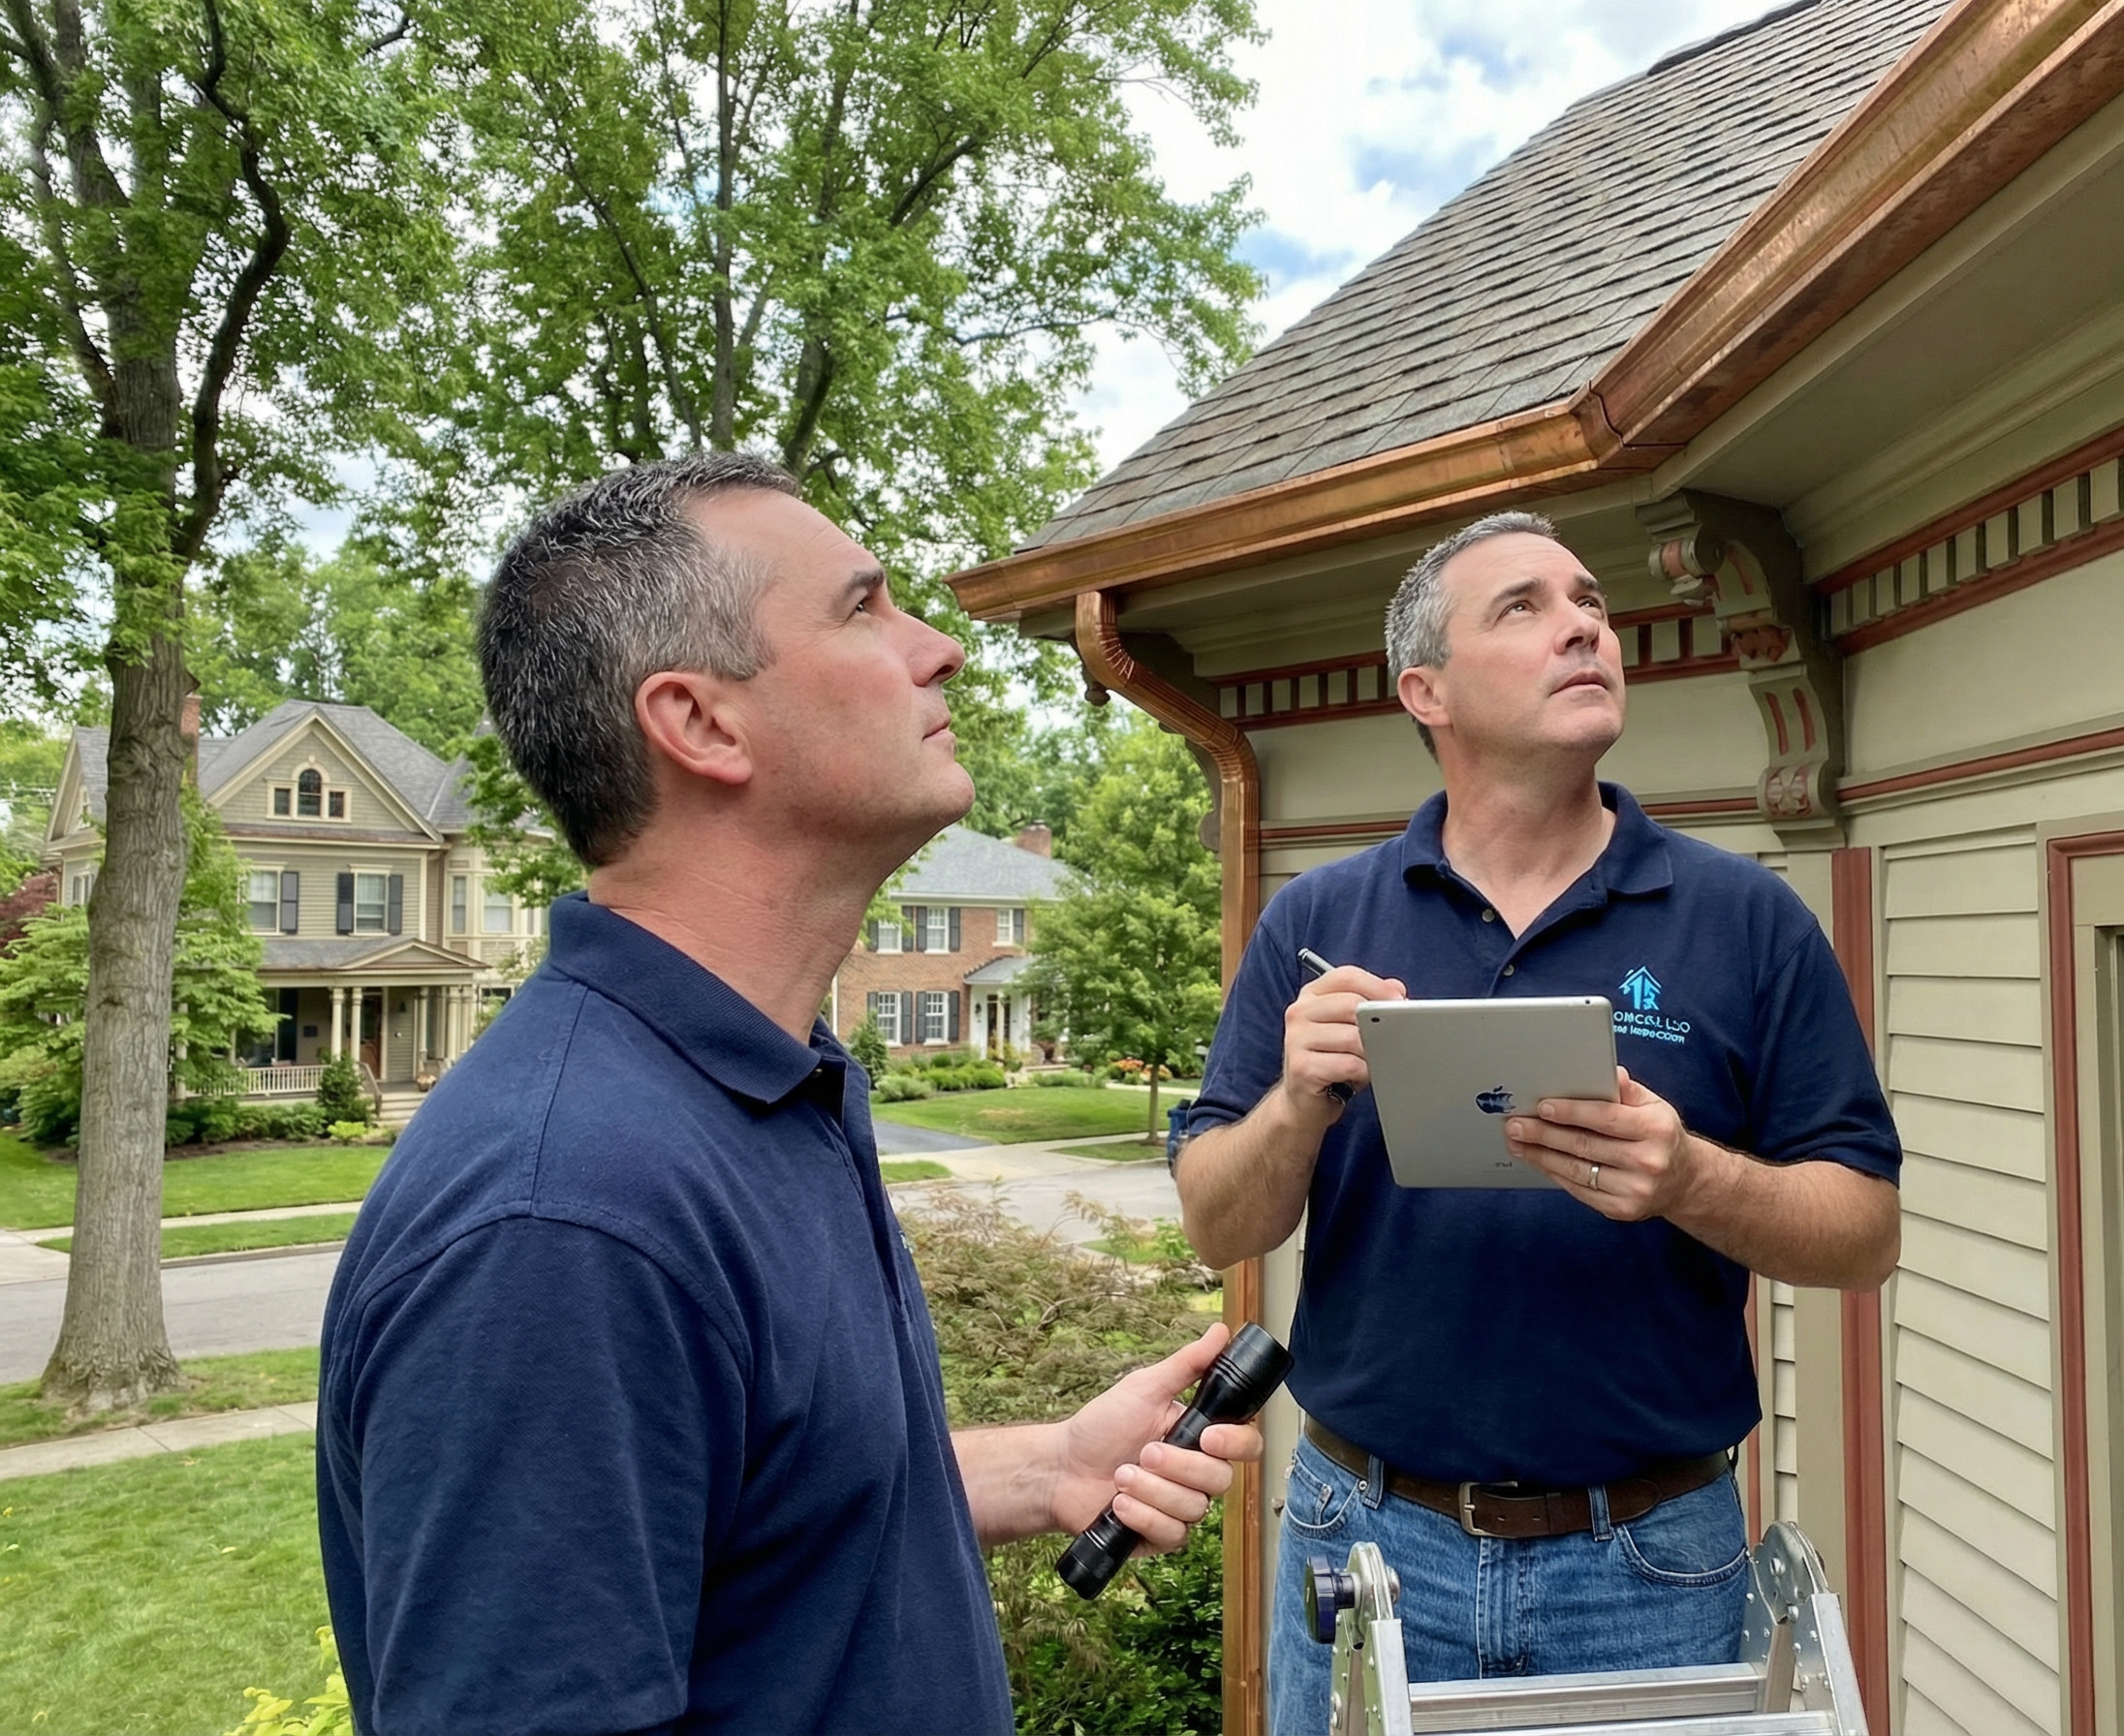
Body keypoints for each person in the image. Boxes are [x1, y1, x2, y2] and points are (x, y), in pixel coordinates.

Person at [316, 453, 1261, 1736]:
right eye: (864, 608)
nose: (943, 653)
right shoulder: (564, 1223)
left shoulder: (761, 1084)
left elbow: (754, 1509)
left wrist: (1049, 1468)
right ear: (702, 723)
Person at [1171, 512, 1902, 1734]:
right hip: (1368, 1548)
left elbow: (1864, 1233)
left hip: (1652, 1561)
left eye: (1591, 603)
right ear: (1428, 690)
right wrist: (1298, 1100)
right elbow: (1216, 1217)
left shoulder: (1745, 921)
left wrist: (1690, 1180)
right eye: (1524, 607)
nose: (1584, 626)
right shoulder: (1323, 917)